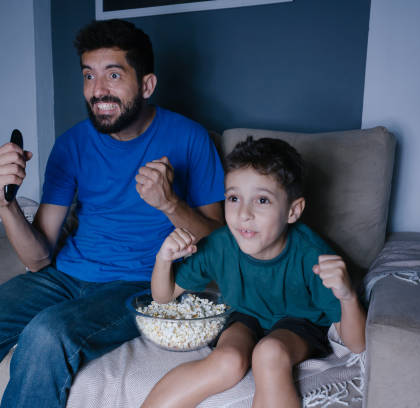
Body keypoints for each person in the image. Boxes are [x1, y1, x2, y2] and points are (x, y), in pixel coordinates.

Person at [0, 19, 225, 408]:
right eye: (88, 76)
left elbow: (220, 245)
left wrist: (170, 204)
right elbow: (37, 258)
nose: (97, 91)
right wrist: (5, 203)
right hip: (63, 276)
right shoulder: (71, 145)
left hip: (140, 285)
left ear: (147, 85)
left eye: (113, 75)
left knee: (47, 334)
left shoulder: (190, 138)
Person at [142, 137, 366, 408]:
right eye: (234, 198)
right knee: (227, 360)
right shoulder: (220, 244)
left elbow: (356, 344)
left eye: (262, 200)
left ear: (293, 211)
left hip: (299, 322)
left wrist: (348, 296)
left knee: (269, 353)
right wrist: (163, 259)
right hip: (244, 316)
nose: (243, 213)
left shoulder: (313, 256)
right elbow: (163, 299)